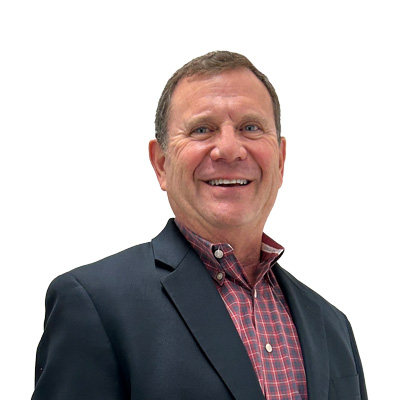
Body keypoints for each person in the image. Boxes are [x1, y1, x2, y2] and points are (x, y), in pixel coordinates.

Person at [32, 51, 367, 400]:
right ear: (161, 164)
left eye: (250, 128)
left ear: (281, 161)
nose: (229, 149)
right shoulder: (94, 304)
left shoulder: (333, 326)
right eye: (202, 129)